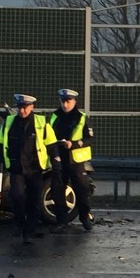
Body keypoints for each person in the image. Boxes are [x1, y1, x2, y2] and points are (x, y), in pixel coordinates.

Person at [0, 94, 59, 243]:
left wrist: (56, 160)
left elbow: (51, 143)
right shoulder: (9, 122)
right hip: (16, 166)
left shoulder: (41, 123)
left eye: (25, 107)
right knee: (17, 196)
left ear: (32, 107)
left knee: (34, 200)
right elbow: (0, 142)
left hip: (35, 167)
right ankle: (18, 223)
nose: (22, 110)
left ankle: (30, 231)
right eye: (20, 107)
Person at [49, 88, 95, 231]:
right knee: (57, 190)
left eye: (68, 101)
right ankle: (61, 221)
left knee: (82, 190)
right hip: (59, 158)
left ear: (74, 102)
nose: (65, 104)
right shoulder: (54, 116)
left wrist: (73, 144)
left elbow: (89, 139)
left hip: (75, 160)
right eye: (63, 101)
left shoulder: (81, 117)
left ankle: (84, 217)